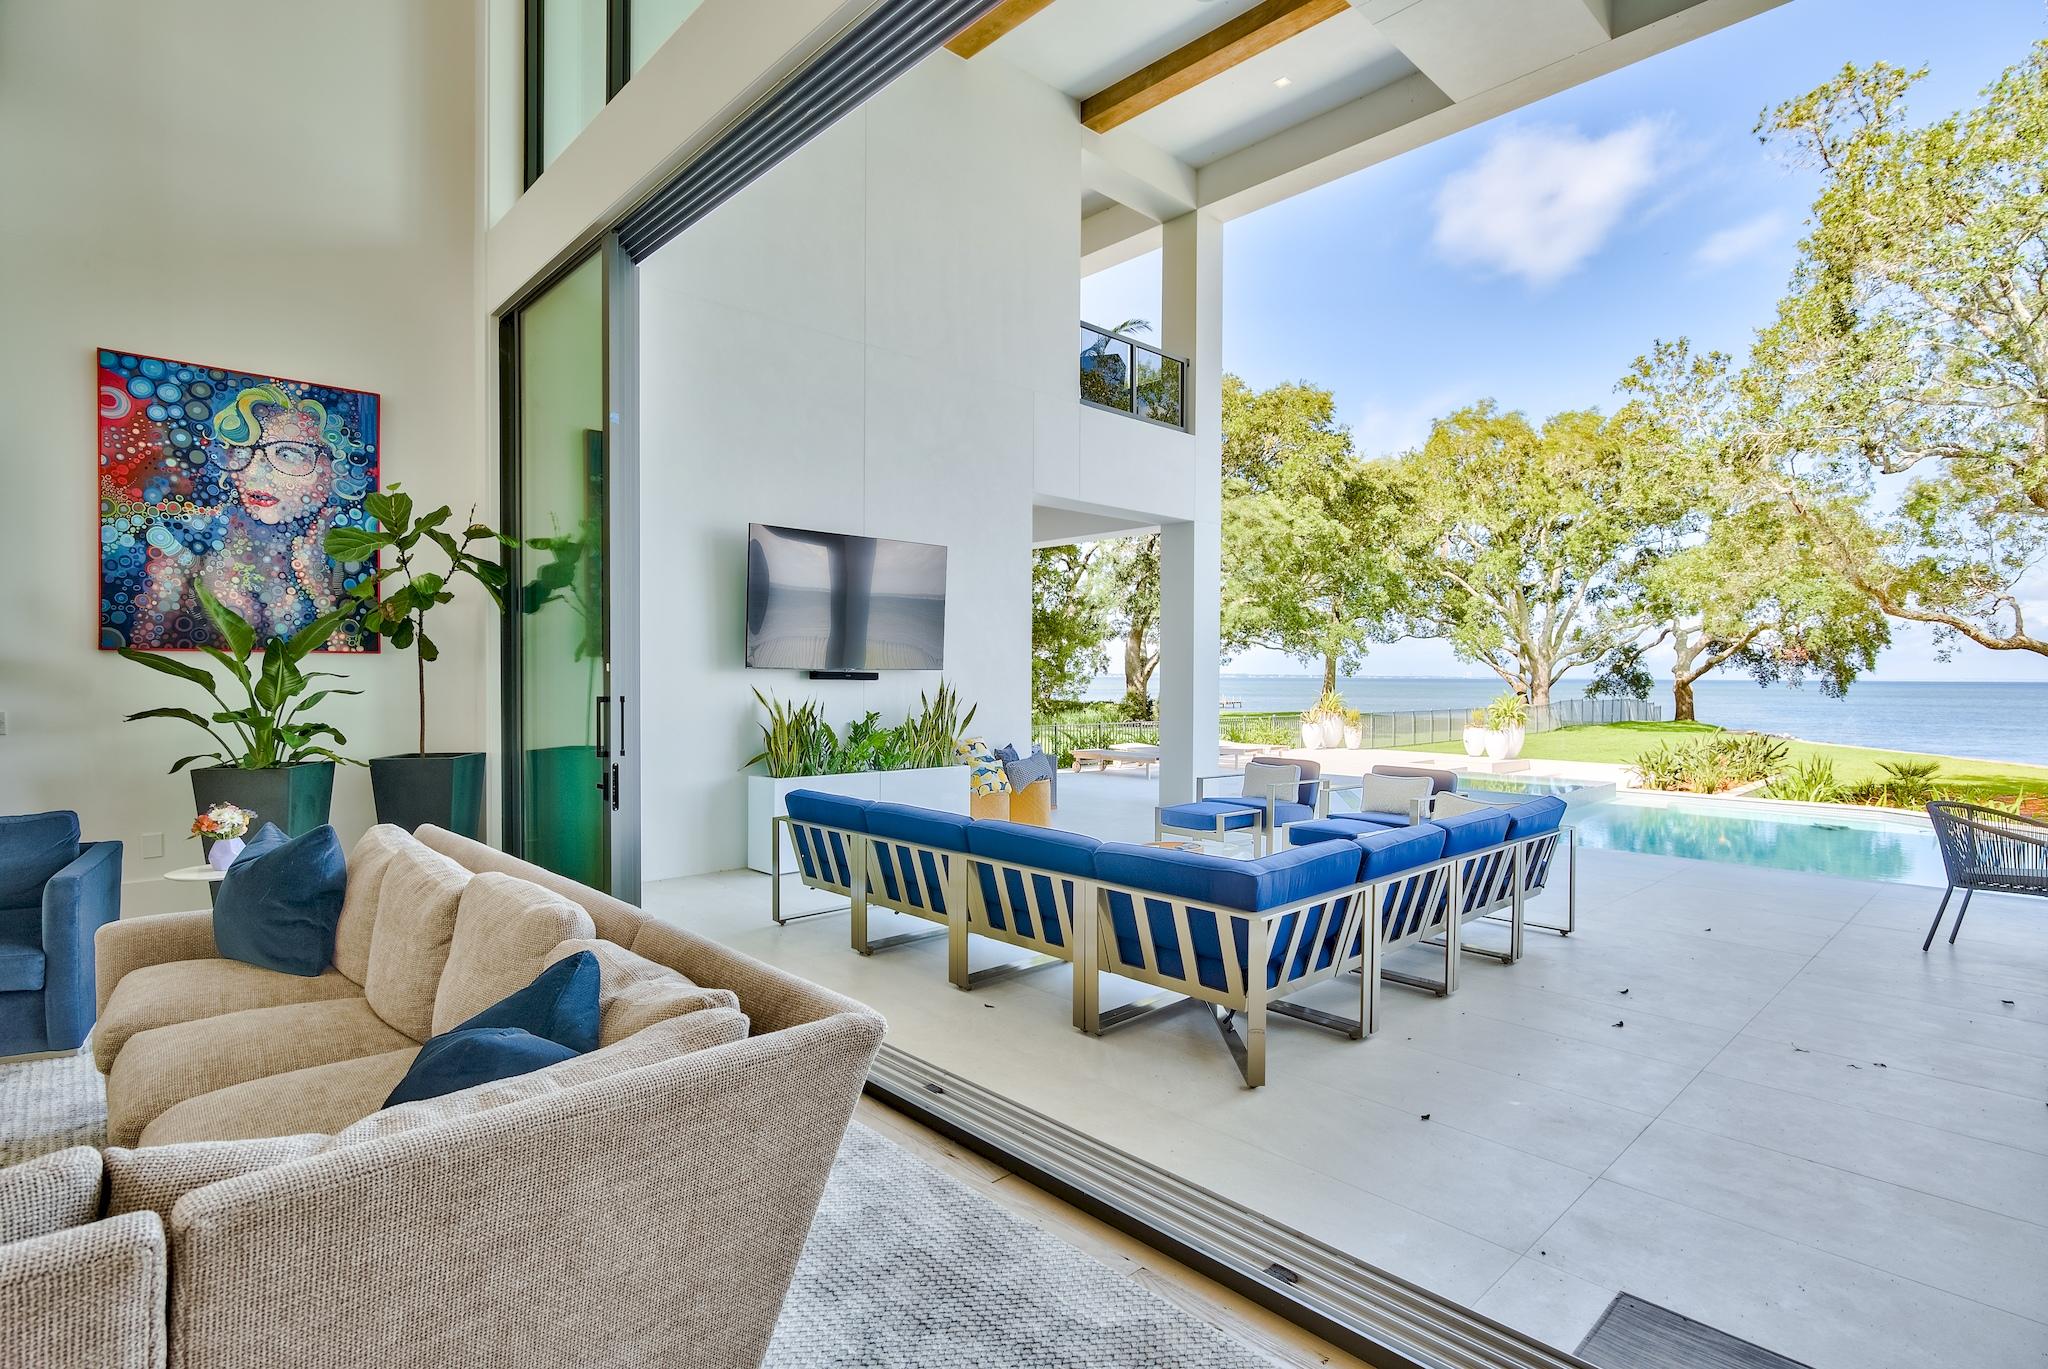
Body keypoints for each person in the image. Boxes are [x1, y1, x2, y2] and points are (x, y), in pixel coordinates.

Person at [130, 385, 353, 647]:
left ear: (333, 467)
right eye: (242, 451)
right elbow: (144, 648)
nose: (254, 474)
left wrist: (319, 588)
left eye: (288, 453)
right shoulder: (188, 543)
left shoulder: (354, 554)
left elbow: (353, 655)